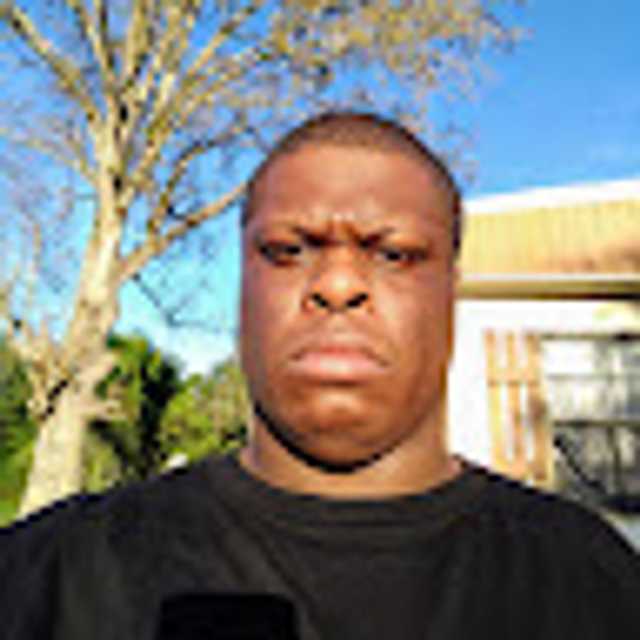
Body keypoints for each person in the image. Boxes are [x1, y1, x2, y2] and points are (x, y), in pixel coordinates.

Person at [1, 111, 639, 640]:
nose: (337, 284)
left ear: (451, 292)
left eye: (394, 254)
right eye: (287, 251)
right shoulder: (49, 576)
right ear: (241, 290)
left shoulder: (594, 580)